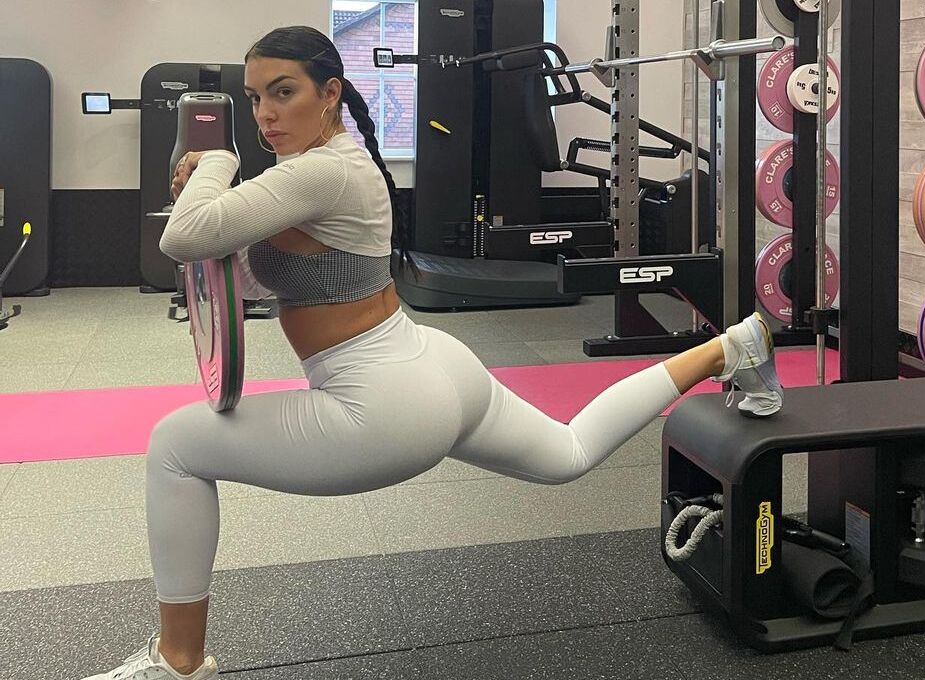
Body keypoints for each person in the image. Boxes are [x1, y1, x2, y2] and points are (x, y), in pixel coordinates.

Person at [82, 26, 783, 680]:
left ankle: (178, 662)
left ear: (329, 93)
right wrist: (207, 197)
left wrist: (216, 162)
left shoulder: (319, 172)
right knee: (568, 453)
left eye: (283, 92)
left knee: (175, 447)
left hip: (381, 405)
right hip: (432, 364)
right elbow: (248, 278)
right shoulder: (319, 172)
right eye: (255, 96)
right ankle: (729, 349)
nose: (265, 112)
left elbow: (184, 238)